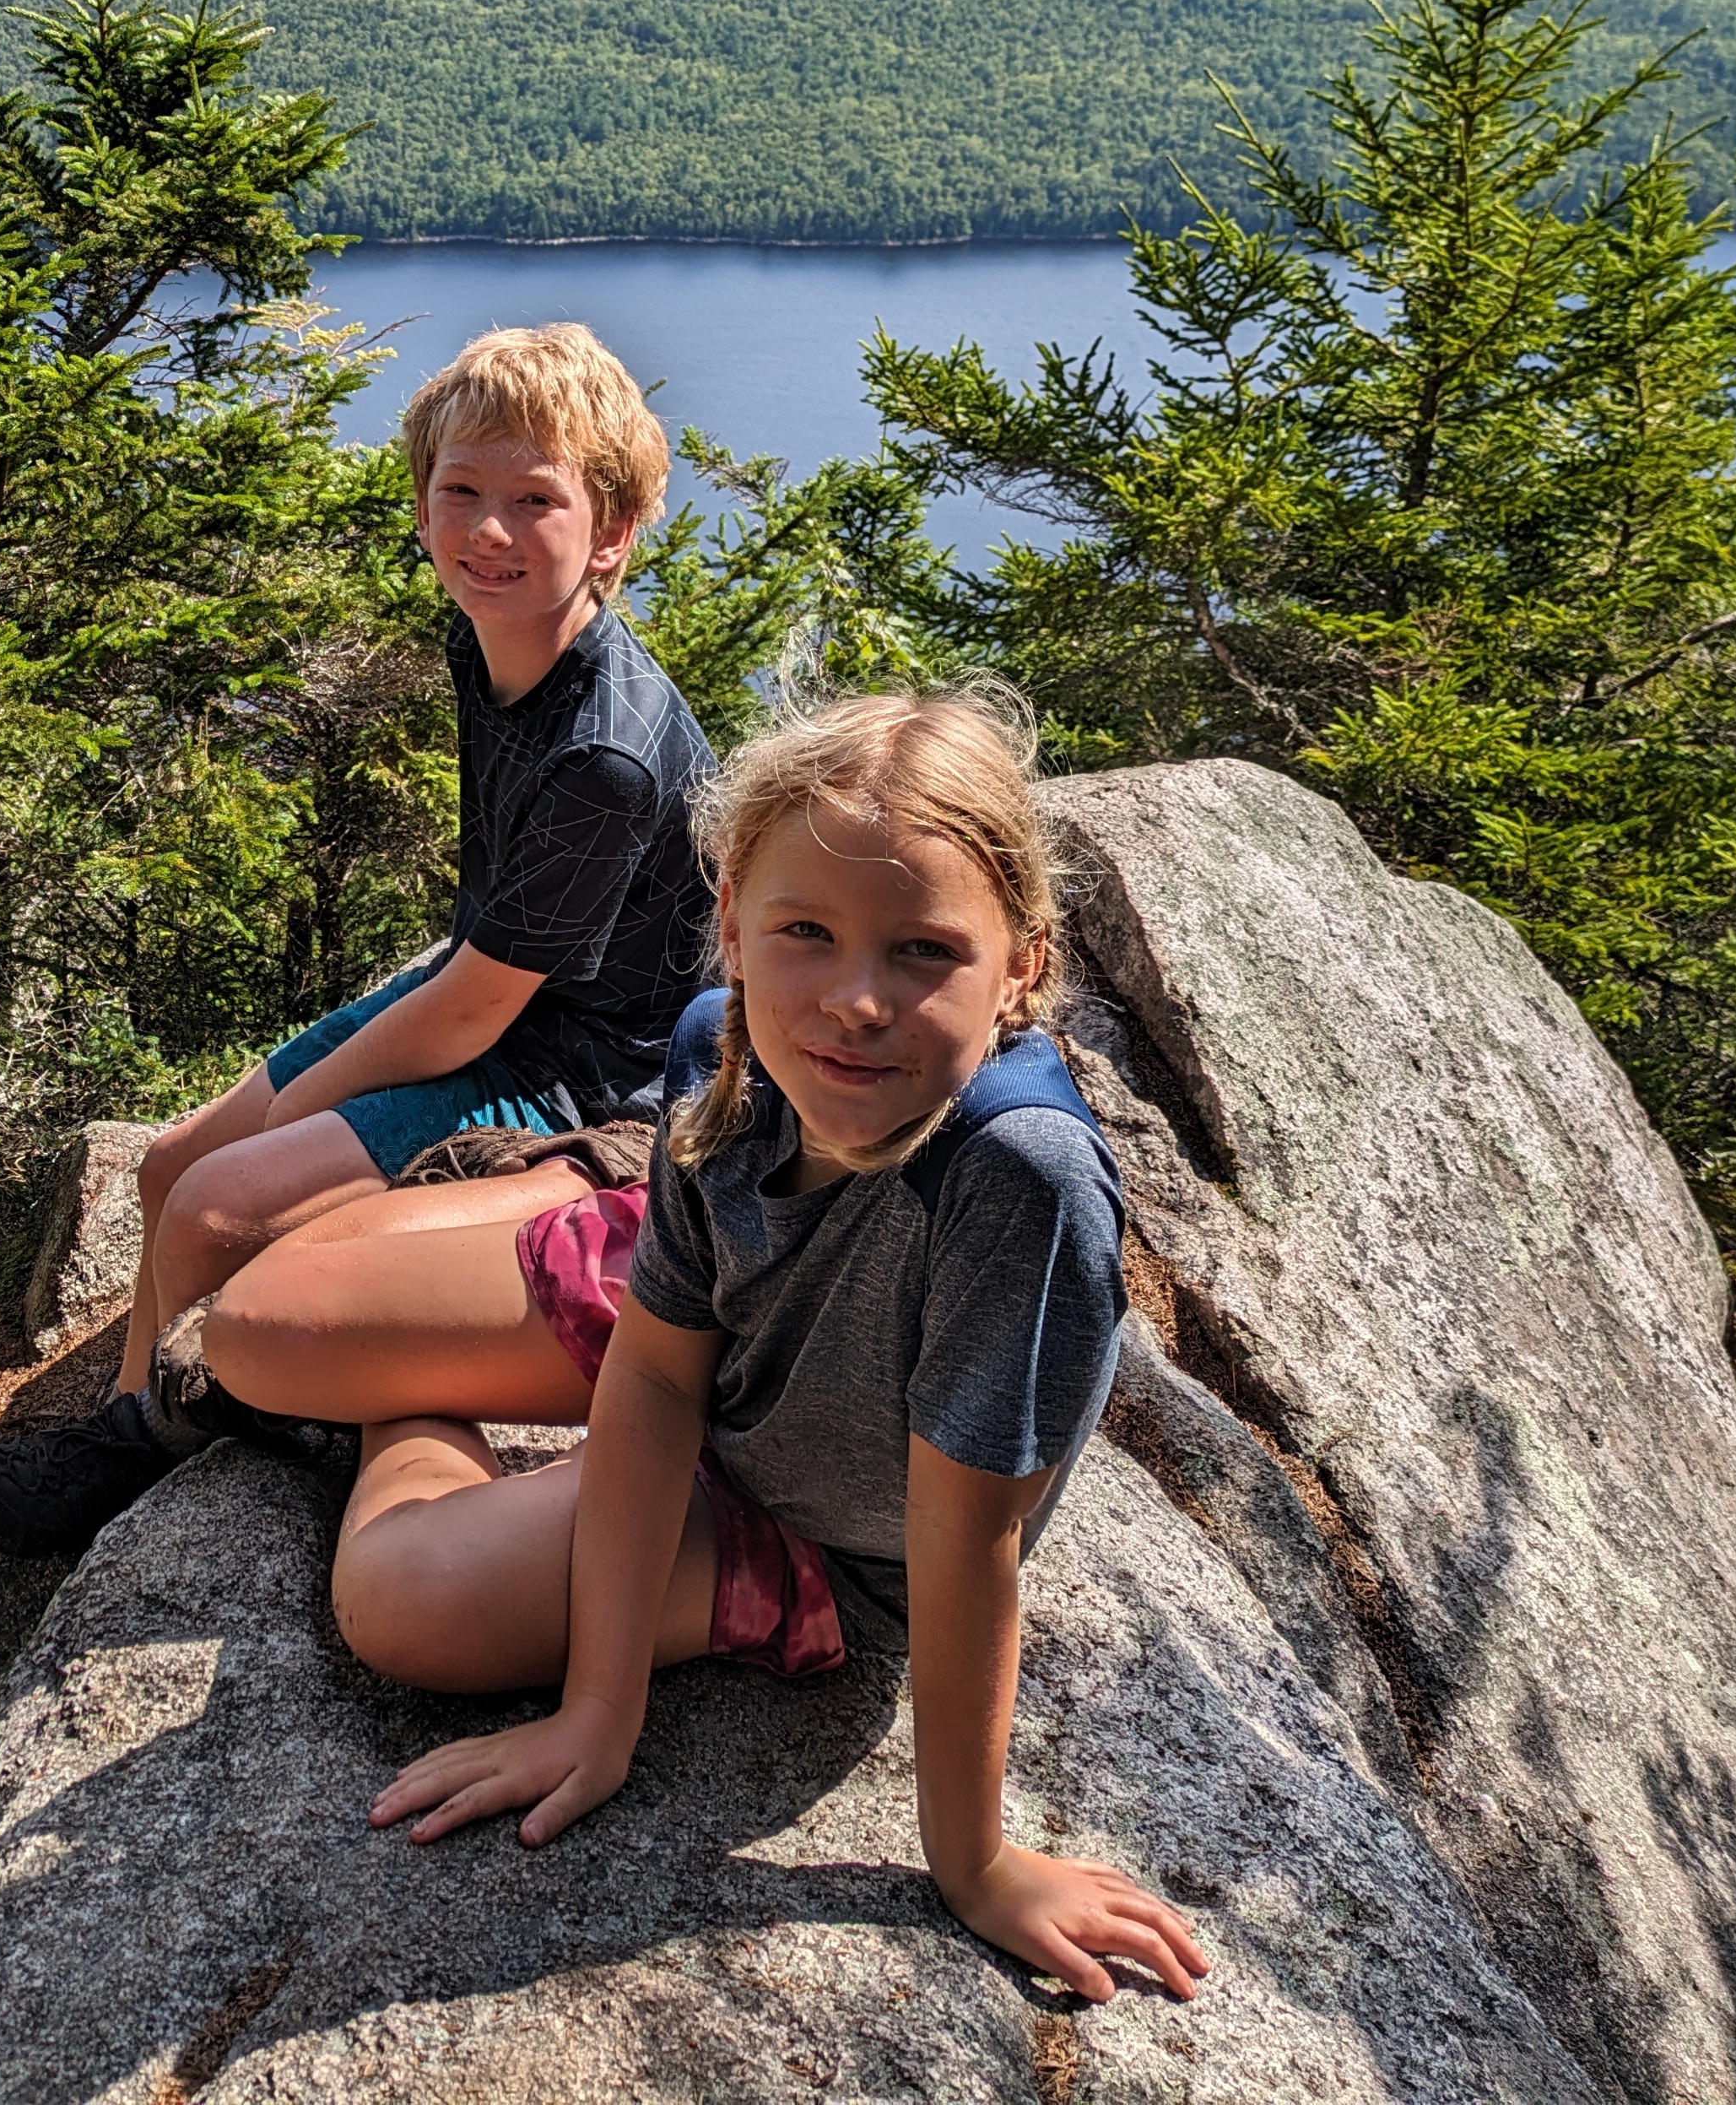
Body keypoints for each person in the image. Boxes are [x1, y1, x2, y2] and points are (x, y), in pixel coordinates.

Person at [337, 687, 1214, 2011]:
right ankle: (522, 1253)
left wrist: (975, 1866)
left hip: (821, 1538)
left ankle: (403, 1424)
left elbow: (962, 1536)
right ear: (735, 917)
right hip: (724, 1352)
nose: (857, 1000)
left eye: (925, 952)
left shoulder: (1016, 1175)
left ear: (1022, 966)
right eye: (807, 931)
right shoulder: (726, 1043)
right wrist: (599, 1704)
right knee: (267, 1330)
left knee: (403, 1601)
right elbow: (653, 1373)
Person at [0, 322, 715, 1557]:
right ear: (421, 506)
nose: (490, 531)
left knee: (218, 1203)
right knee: (168, 1171)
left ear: (613, 531)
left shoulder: (605, 756)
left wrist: (300, 1110)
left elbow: (471, 1014)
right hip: (500, 999)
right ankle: (132, 1422)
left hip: (582, 1067)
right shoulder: (491, 638)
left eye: (536, 500)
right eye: (459, 492)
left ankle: (151, 1441)